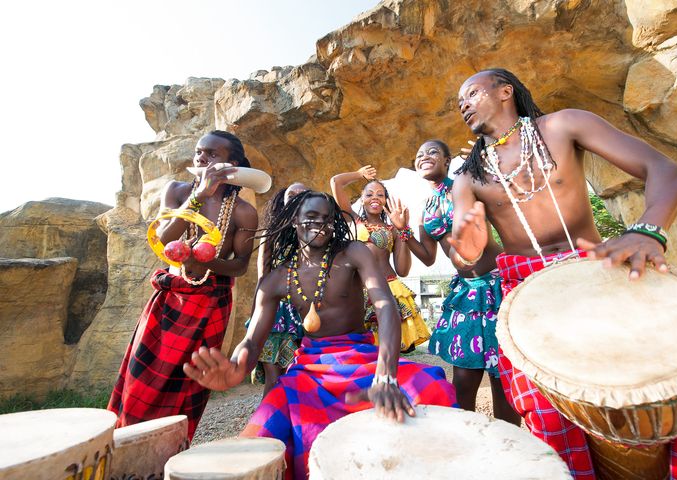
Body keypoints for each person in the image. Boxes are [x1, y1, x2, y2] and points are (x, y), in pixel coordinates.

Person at [451, 68, 677, 479]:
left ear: (506, 90)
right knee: (551, 421)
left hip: (598, 275)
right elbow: (470, 259)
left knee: (667, 384)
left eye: (471, 93)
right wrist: (466, 248)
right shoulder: (469, 178)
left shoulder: (564, 125)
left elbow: (665, 170)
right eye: (459, 103)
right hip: (526, 298)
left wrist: (648, 230)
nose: (463, 104)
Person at [184, 191, 457, 480]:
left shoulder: (353, 252)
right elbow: (252, 341)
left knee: (432, 389)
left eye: (327, 219)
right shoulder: (276, 278)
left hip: (363, 360)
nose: (321, 225)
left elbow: (385, 306)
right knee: (262, 432)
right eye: (311, 217)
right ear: (293, 221)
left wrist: (386, 375)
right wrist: (236, 369)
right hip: (309, 370)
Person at [108, 130, 259, 442]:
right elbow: (163, 242)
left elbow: (240, 265)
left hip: (211, 302)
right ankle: (126, 446)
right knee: (143, 376)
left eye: (211, 154)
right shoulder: (178, 191)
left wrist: (207, 262)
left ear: (231, 164)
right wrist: (197, 197)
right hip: (170, 297)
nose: (201, 158)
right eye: (198, 152)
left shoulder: (244, 211)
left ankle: (172, 449)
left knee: (190, 383)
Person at [407, 139, 519, 424]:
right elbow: (428, 257)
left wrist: (490, 168)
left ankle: (509, 447)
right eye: (419, 154)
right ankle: (470, 443)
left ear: (447, 160)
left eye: (433, 151)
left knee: (501, 378)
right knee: (463, 379)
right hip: (466, 292)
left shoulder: (467, 185)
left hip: (495, 285)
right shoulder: (426, 206)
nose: (424, 157)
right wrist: (402, 232)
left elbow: (505, 204)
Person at [330, 167, 431, 353]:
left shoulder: (392, 229)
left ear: (385, 200)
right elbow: (336, 181)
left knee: (389, 349)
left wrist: (403, 229)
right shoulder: (353, 220)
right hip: (358, 292)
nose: (375, 197)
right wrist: (360, 174)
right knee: (361, 350)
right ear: (362, 199)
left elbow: (403, 270)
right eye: (369, 194)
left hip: (389, 288)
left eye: (380, 194)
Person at [249, 182, 308, 397]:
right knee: (275, 379)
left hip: (304, 311)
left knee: (301, 375)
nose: (296, 197)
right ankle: (265, 427)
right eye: (291, 193)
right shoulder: (271, 233)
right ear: (283, 199)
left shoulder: (315, 234)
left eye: (303, 194)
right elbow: (262, 276)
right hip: (276, 313)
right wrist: (256, 314)